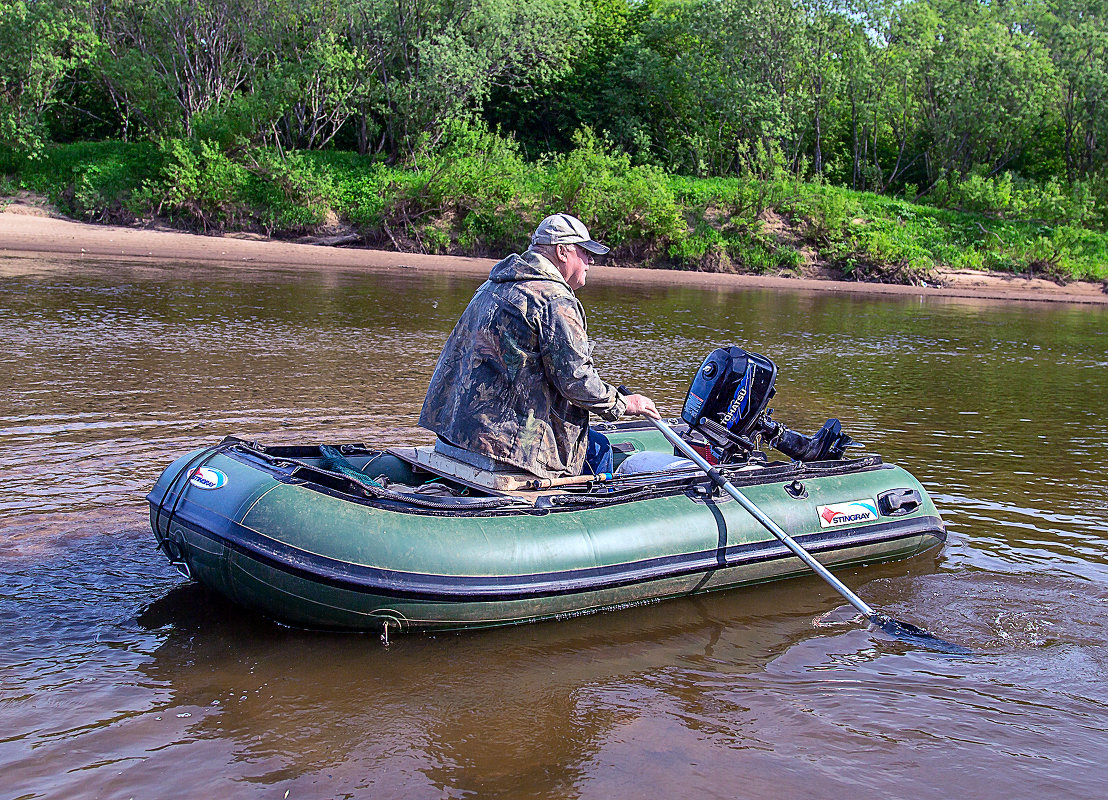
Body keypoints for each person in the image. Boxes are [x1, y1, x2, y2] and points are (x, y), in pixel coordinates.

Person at [419, 213, 659, 480]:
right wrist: (623, 404)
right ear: (562, 252)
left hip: (454, 431)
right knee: (598, 449)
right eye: (585, 252)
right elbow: (576, 380)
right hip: (500, 445)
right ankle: (594, 514)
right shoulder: (554, 300)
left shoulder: (493, 285)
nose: (591, 261)